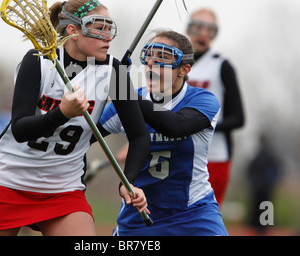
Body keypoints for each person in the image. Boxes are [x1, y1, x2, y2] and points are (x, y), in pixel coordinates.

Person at [0, 0, 150, 236]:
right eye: (99, 29)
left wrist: (127, 182)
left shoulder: (113, 72)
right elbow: (20, 129)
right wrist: (61, 114)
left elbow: (139, 135)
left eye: (110, 29)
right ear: (73, 30)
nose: (108, 37)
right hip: (8, 181)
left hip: (63, 188)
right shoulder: (37, 61)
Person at [98, 30, 228, 236]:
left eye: (163, 58)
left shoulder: (203, 100)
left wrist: (124, 94)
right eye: (149, 56)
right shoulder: (125, 102)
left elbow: (175, 126)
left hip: (194, 213)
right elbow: (83, 134)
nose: (152, 63)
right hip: (140, 212)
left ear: (184, 69)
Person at [185, 8, 245, 206]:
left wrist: (203, 125)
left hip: (213, 156)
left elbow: (239, 117)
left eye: (210, 29)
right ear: (188, 28)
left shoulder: (221, 65)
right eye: (198, 27)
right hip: (179, 152)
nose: (203, 34)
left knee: (205, 216)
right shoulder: (176, 62)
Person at [247, 133, 281, 235]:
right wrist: (255, 182)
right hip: (259, 188)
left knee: (266, 206)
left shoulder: (270, 156)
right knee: (258, 207)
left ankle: (264, 227)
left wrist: (269, 182)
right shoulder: (257, 156)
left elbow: (275, 170)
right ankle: (258, 227)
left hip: (266, 187)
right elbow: (250, 171)